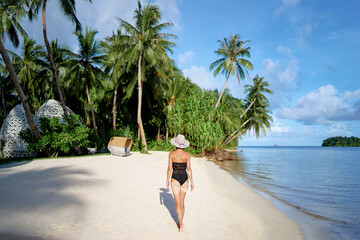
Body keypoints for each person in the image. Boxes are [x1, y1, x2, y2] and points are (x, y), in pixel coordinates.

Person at [166, 134, 194, 231]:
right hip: (185, 178)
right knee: (182, 202)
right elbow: (189, 169)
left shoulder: (171, 154)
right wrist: (192, 182)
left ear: (176, 143)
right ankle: (180, 221)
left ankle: (180, 223)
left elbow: (169, 168)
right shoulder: (187, 155)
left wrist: (167, 181)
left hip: (175, 178)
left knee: (177, 202)